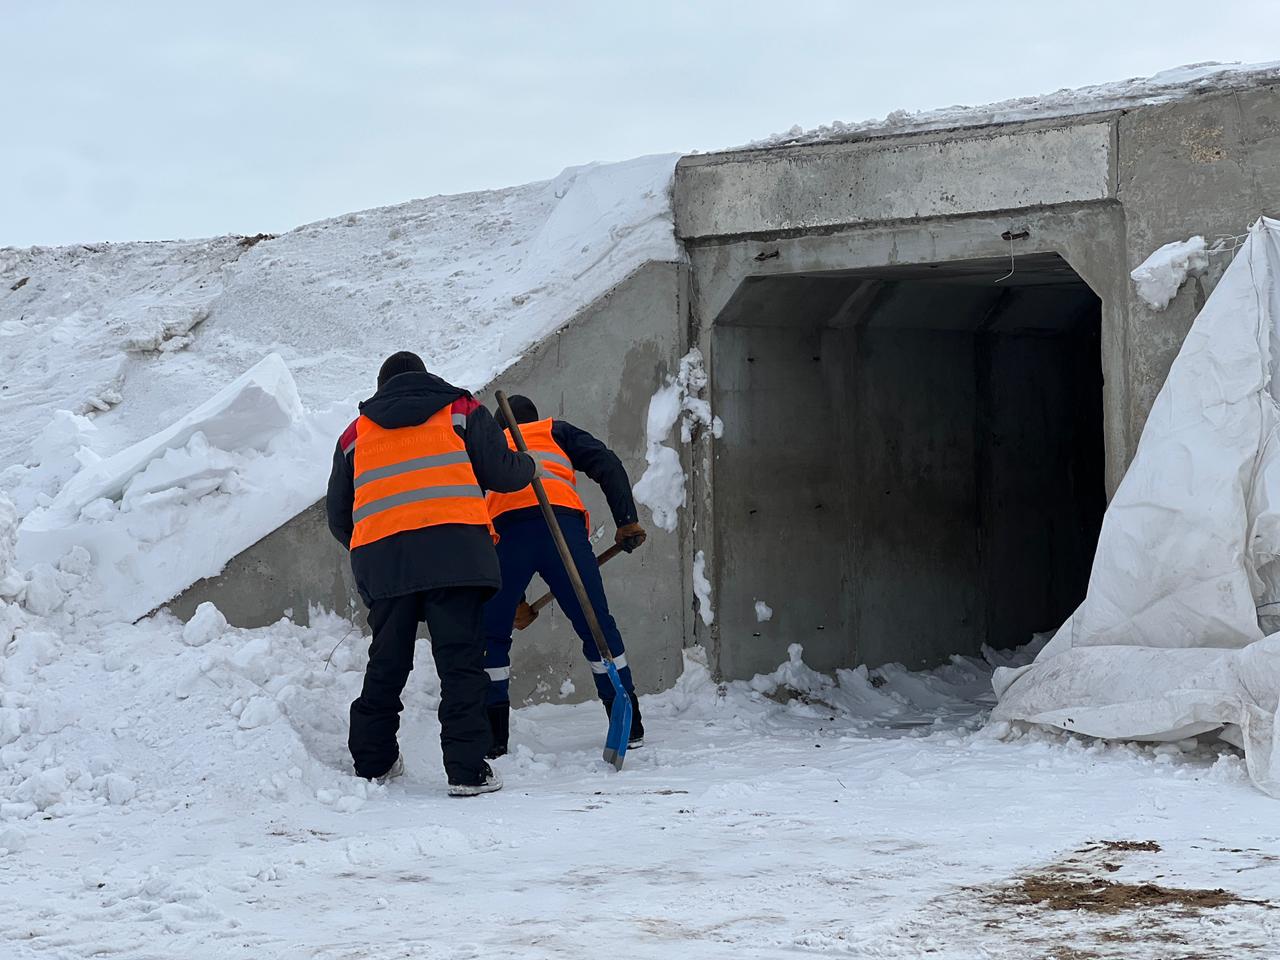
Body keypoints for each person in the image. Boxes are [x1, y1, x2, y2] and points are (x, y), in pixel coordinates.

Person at [325, 351, 537, 796]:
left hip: (385, 560)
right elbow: (503, 473)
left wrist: (373, 545)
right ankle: (466, 770)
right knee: (460, 663)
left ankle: (374, 763)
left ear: (382, 387)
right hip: (455, 555)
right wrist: (527, 462)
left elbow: (339, 517)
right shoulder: (461, 410)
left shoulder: (354, 434)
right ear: (426, 377)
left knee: (387, 661)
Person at [482, 394, 647, 757]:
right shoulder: (556, 431)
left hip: (506, 535)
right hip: (562, 527)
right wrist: (625, 520)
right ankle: (628, 721)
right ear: (537, 418)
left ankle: (493, 737)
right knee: (597, 627)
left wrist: (511, 599)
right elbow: (607, 463)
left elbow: (467, 502)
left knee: (492, 635)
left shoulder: (490, 441)